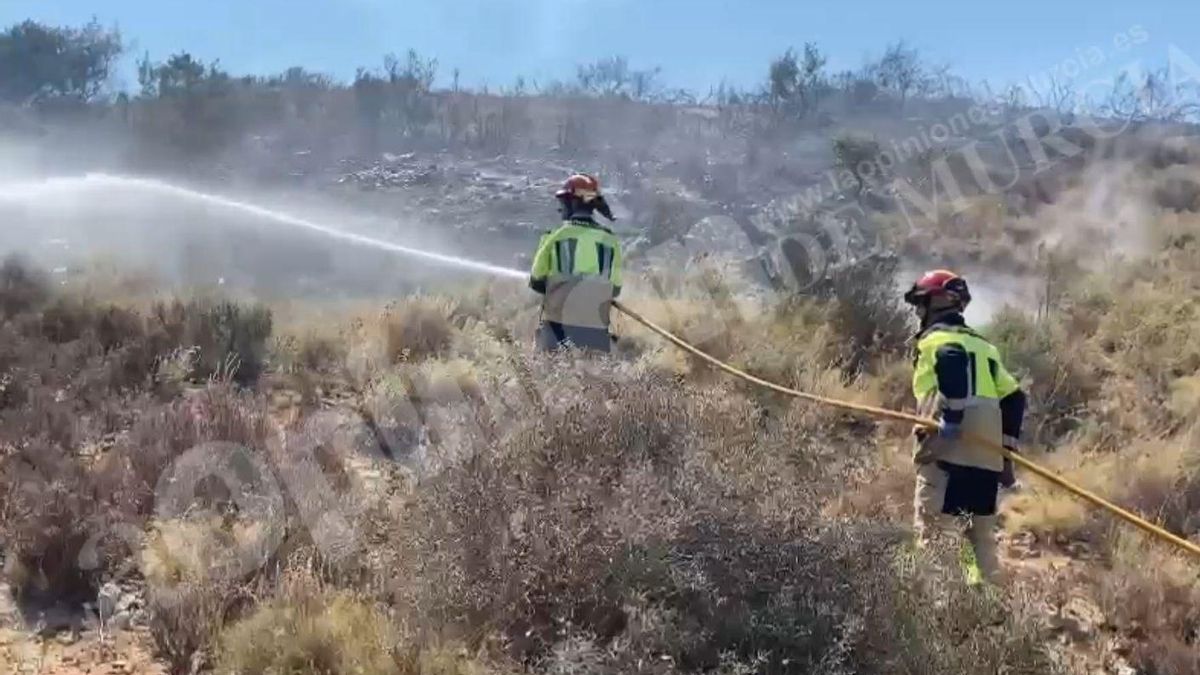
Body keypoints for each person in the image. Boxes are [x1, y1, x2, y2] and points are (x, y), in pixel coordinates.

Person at [904, 269, 1026, 586]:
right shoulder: (985, 348)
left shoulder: (935, 340)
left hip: (946, 461)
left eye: (921, 303)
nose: (918, 312)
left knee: (937, 543)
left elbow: (951, 359)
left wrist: (953, 418)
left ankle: (941, 620)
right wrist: (1006, 458)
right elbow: (1014, 398)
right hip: (984, 466)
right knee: (977, 542)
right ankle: (986, 611)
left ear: (937, 303)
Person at [529, 174, 623, 353]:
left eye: (563, 202)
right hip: (596, 333)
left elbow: (536, 281)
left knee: (548, 374)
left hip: (557, 332)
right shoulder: (611, 241)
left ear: (573, 204)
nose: (561, 208)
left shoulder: (553, 238)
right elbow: (616, 288)